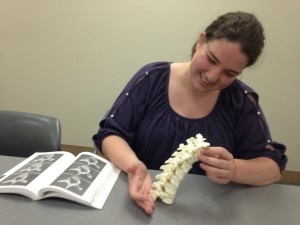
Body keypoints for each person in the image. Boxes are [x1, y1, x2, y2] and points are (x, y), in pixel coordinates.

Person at [93, 11, 287, 216]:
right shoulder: (152, 79)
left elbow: (271, 168)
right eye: (211, 59)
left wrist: (234, 169)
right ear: (201, 41)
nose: (212, 76)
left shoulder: (240, 101)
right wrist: (134, 167)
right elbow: (111, 134)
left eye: (229, 73)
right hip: (140, 204)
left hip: (207, 213)